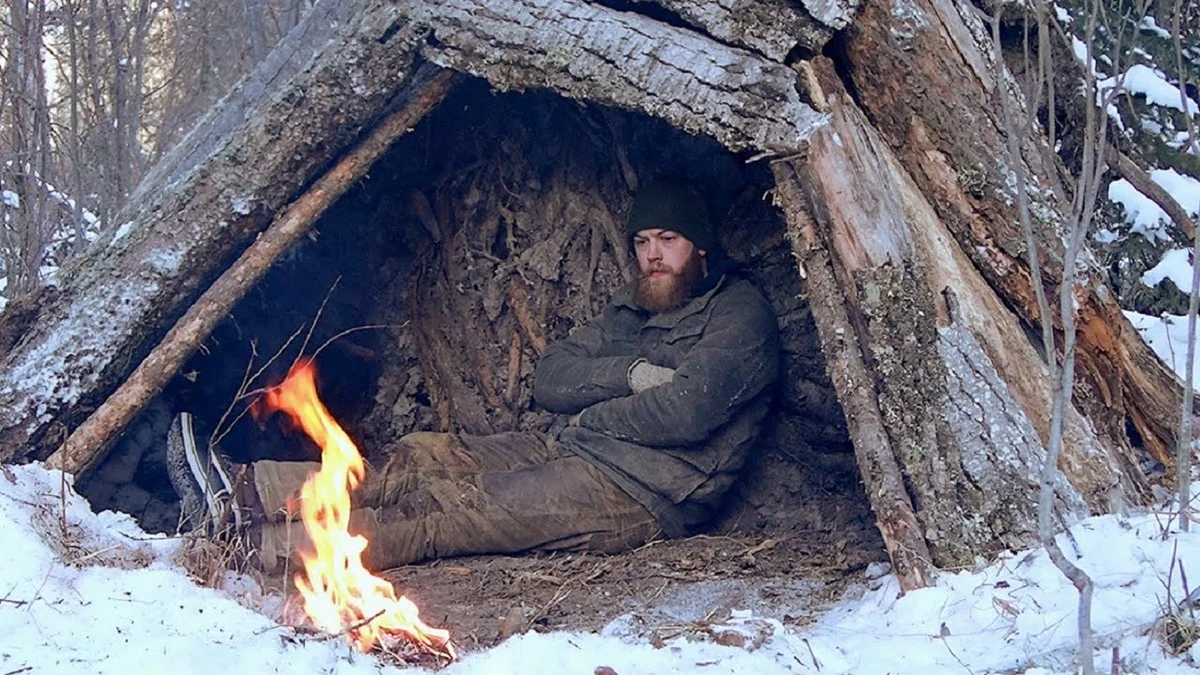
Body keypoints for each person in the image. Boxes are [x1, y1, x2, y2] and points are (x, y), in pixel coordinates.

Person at [167, 177, 781, 572]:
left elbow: (688, 411)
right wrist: (632, 372)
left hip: (644, 492)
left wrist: (598, 409)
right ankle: (244, 493)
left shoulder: (739, 315)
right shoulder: (633, 306)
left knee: (452, 508)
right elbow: (552, 379)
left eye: (669, 239)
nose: (653, 255)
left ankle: (263, 551)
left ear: (700, 247)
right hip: (574, 448)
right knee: (425, 458)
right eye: (643, 241)